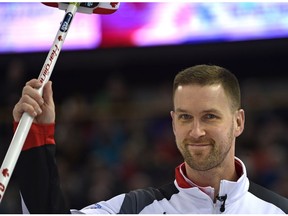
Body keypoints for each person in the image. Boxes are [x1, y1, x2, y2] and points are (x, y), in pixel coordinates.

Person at [12, 64, 287, 214]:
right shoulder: (134, 209)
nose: (196, 131)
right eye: (185, 117)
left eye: (210, 117)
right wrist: (36, 134)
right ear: (172, 122)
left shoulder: (277, 211)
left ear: (238, 121)